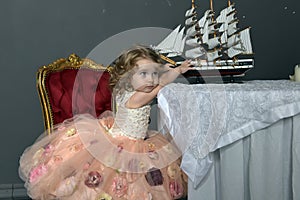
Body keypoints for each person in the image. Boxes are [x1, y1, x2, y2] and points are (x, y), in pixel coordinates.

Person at [19, 45, 192, 200]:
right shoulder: (137, 97)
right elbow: (160, 86)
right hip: (124, 144)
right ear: (128, 76)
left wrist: (166, 69)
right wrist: (176, 71)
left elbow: (157, 82)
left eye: (154, 74)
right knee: (113, 181)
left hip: (136, 140)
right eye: (144, 74)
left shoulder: (129, 90)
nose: (151, 80)